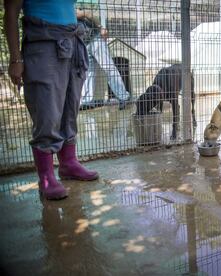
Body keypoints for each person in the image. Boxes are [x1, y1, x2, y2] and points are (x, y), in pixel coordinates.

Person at [4, 0, 99, 200]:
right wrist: (15, 58)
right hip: (44, 42)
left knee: (70, 107)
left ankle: (68, 163)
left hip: (72, 40)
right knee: (47, 109)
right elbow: (11, 12)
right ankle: (46, 176)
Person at [76, 0, 130, 110]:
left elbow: (88, 14)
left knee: (108, 67)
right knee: (88, 71)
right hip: (82, 42)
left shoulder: (69, 8)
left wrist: (101, 28)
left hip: (94, 38)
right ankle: (86, 101)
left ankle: (124, 97)